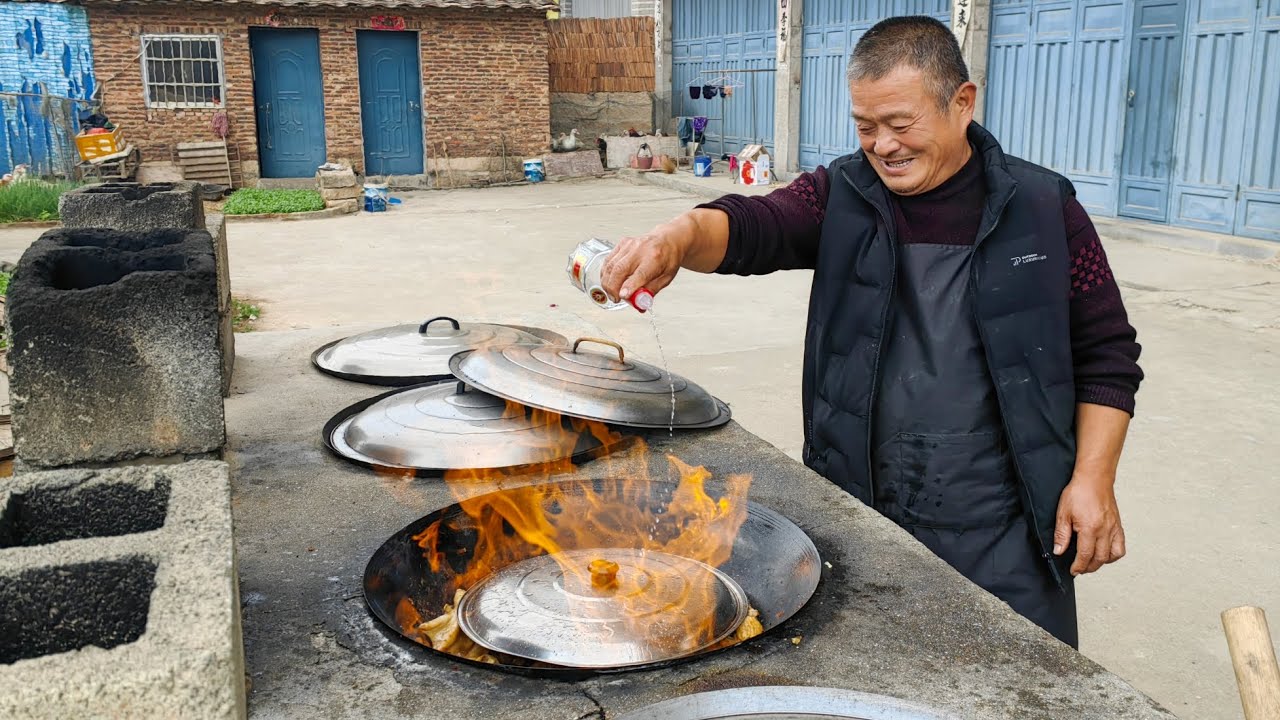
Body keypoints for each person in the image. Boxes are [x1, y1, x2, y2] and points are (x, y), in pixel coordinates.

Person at [600, 15, 1143, 648]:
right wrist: (677, 236)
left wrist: (1093, 478)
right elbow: (753, 225)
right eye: (865, 127)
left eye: (900, 124)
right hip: (859, 506)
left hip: (1007, 522)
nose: (883, 146)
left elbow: (1106, 355)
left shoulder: (1044, 211)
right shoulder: (841, 195)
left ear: (962, 102)